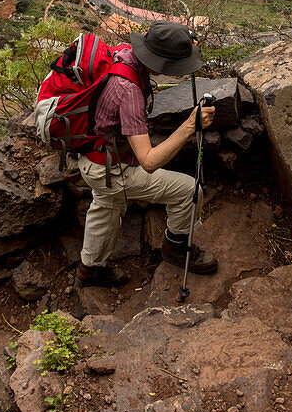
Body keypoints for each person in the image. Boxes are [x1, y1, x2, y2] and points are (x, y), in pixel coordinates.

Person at [76, 20, 218, 288]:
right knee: (190, 191)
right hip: (111, 169)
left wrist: (185, 45)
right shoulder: (128, 91)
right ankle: (175, 247)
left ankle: (89, 270)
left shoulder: (124, 55)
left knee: (107, 205)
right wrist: (190, 124)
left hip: (94, 157)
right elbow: (149, 162)